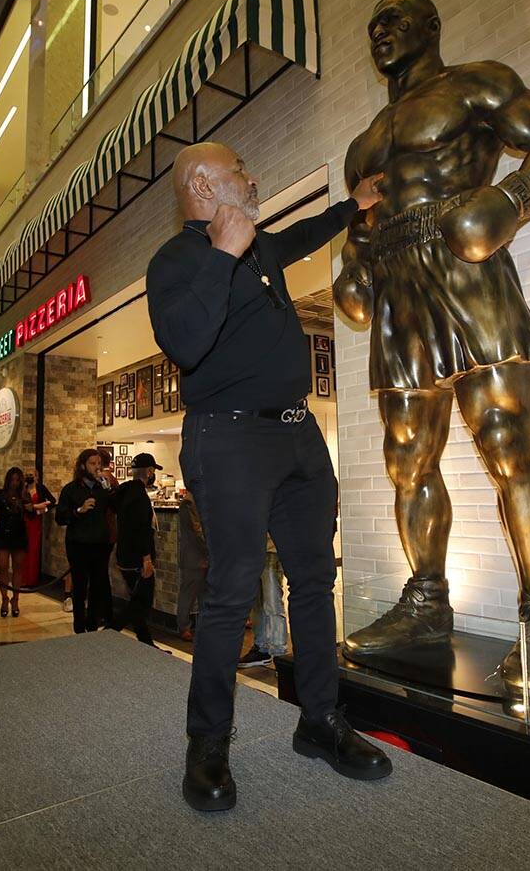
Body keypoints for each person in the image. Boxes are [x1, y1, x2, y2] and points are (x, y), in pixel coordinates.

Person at [336, 0, 530, 700]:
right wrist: (354, 267)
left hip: (466, 265)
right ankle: (425, 605)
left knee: (507, 445)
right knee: (407, 459)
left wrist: (513, 200)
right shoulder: (365, 142)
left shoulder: (476, 83)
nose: (381, 30)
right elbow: (359, 226)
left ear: (431, 28)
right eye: (373, 23)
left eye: (396, 19)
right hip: (398, 287)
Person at [147, 141, 391, 811]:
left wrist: (354, 205)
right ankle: (207, 748)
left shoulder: (260, 248)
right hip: (226, 436)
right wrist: (223, 253)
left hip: (297, 436)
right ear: (201, 184)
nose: (251, 180)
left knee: (314, 578)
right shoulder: (177, 260)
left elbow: (306, 233)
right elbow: (185, 344)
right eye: (238, 173)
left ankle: (319, 722)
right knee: (231, 592)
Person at [54, 449, 113, 634]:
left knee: (98, 586)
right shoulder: (71, 489)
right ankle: (79, 627)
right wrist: (79, 511)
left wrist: (110, 488)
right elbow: (60, 517)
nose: (97, 467)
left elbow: (116, 508)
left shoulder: (102, 489)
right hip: (78, 544)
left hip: (100, 544)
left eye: (98, 464)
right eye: (92, 464)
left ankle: (92, 624)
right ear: (83, 466)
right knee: (79, 586)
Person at [110, 453, 161, 648]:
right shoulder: (139, 496)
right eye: (153, 470)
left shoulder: (125, 492)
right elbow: (141, 529)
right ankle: (111, 629)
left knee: (137, 600)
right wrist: (146, 559)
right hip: (137, 559)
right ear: (149, 471)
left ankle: (146, 642)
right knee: (141, 603)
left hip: (124, 554)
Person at [237, 536, 287, 669]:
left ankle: (279, 652)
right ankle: (261, 648)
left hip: (272, 550)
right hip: (252, 550)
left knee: (272, 602)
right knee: (257, 603)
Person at [0, 467, 30, 617]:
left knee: (18, 567)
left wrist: (29, 506)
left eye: (18, 480)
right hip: (2, 534)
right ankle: (4, 598)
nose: (15, 483)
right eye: (12, 480)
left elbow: (30, 515)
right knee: (3, 567)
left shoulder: (24, 495)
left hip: (19, 534)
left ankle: (15, 599)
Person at [176, 489, 208, 642]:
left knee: (202, 593)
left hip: (199, 554)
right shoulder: (190, 502)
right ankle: (184, 627)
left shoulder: (196, 498)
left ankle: (200, 626)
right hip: (194, 555)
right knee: (189, 593)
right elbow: (197, 531)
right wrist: (209, 549)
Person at [20, 470, 55, 587]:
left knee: (33, 549)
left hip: (35, 522)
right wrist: (35, 506)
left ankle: (32, 579)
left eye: (32, 475)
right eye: (27, 475)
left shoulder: (41, 488)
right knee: (23, 550)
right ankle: (22, 578)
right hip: (23, 521)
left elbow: (52, 501)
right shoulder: (22, 489)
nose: (29, 477)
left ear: (36, 477)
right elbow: (20, 505)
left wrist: (41, 510)